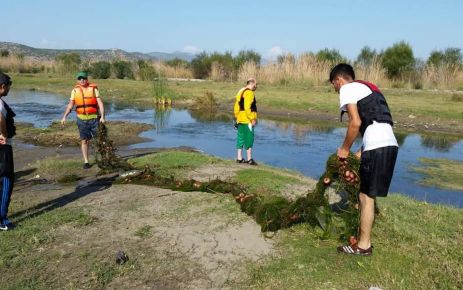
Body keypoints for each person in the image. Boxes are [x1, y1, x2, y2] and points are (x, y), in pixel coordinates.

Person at [329, 63, 398, 256]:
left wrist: (344, 149)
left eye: (334, 86)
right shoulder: (368, 87)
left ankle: (363, 245)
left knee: (365, 197)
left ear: (338, 80)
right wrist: (360, 152)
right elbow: (377, 123)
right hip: (389, 143)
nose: (335, 90)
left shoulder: (347, 88)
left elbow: (356, 122)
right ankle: (362, 237)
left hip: (377, 145)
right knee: (368, 195)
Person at [61, 71, 105, 169]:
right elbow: (70, 105)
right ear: (77, 80)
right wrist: (64, 117)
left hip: (94, 118)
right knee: (84, 141)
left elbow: (100, 103)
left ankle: (103, 158)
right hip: (81, 119)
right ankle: (86, 161)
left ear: (87, 79)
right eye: (80, 78)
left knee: (100, 140)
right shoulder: (75, 90)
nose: (82, 80)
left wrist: (102, 117)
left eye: (84, 78)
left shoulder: (94, 89)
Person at [0, 73, 16, 230]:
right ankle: (1, 220)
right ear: (3, 86)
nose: (9, 89)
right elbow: (0, 118)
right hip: (3, 148)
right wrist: (3, 135)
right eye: (9, 86)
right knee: (6, 180)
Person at [233, 78, 258, 165]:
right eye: (256, 84)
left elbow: (236, 106)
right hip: (248, 121)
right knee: (249, 139)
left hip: (240, 119)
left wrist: (236, 117)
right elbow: (248, 107)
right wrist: (252, 118)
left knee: (240, 138)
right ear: (252, 84)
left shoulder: (240, 91)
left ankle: (239, 158)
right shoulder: (250, 93)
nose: (256, 86)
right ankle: (249, 159)